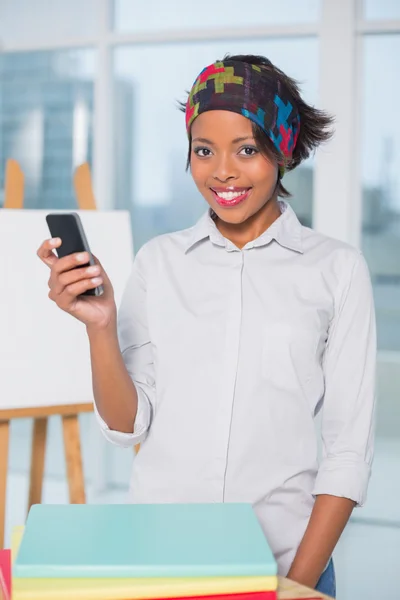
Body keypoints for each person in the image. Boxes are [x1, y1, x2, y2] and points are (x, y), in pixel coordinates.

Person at [37, 54, 376, 598]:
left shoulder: (337, 269)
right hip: (161, 564)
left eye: (247, 149)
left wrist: (295, 586)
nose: (222, 171)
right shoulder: (158, 261)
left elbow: (347, 453)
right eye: (204, 150)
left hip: (286, 568)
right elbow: (129, 425)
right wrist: (100, 328)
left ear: (282, 150)